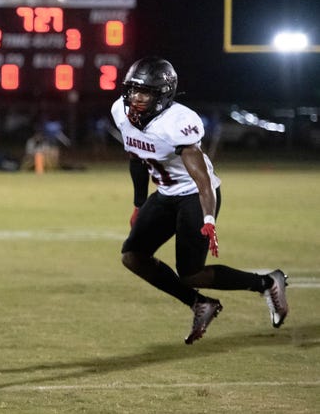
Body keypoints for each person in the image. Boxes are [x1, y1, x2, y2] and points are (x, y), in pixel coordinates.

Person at [110, 56, 289, 344]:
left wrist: (208, 218)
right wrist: (138, 204)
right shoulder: (121, 111)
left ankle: (267, 283)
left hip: (195, 195)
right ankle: (200, 304)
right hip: (166, 194)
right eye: (132, 90)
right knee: (133, 256)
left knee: (191, 272)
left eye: (145, 92)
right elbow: (135, 156)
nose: (136, 98)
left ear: (163, 94)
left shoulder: (177, 122)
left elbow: (202, 179)